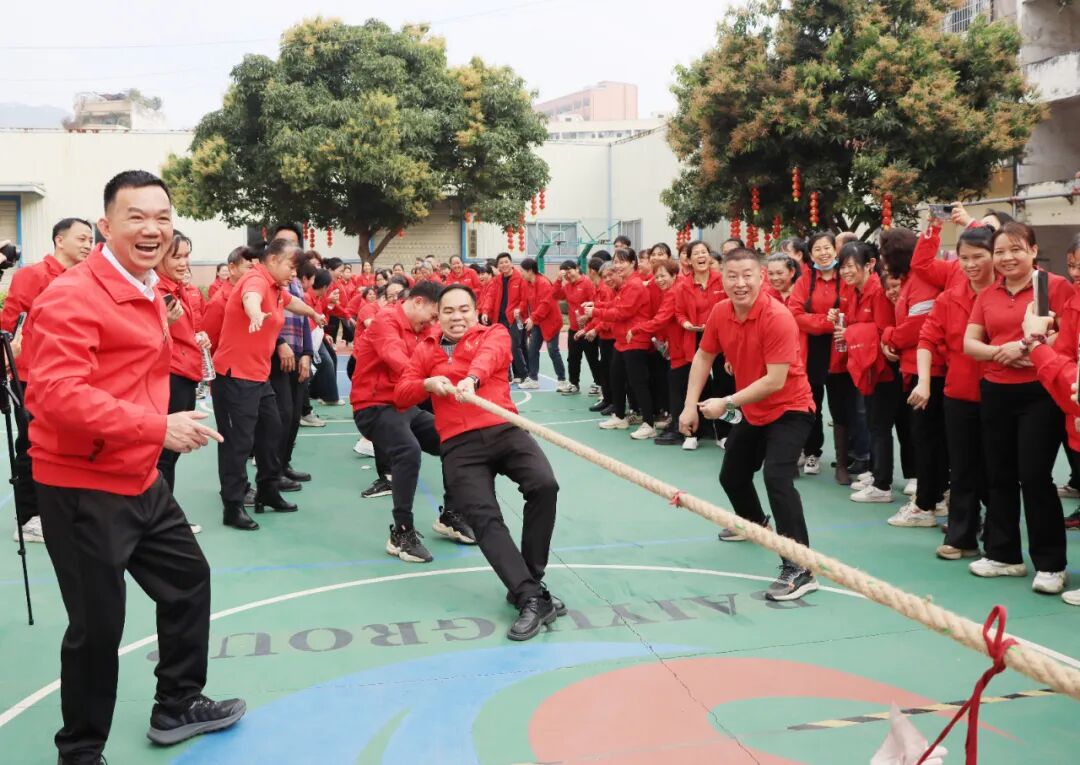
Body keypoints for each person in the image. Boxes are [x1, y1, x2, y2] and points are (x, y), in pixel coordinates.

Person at [27, 170, 245, 764]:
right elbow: (56, 396)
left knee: (188, 580)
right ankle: (80, 752)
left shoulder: (150, 287)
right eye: (136, 217)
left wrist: (160, 427)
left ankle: (177, 703)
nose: (152, 229)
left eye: (162, 217)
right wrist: (157, 427)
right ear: (106, 225)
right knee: (98, 627)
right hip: (81, 485)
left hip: (139, 475)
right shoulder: (72, 296)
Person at [394, 284, 566, 639]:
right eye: (448, 311)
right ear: (438, 316)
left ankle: (529, 580)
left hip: (505, 429)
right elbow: (401, 394)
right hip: (459, 445)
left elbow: (490, 357)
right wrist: (428, 384)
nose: (457, 317)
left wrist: (471, 379)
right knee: (484, 518)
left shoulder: (494, 334)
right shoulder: (426, 349)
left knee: (544, 485)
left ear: (475, 312)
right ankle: (531, 596)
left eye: (464, 310)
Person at [679, 247, 817, 601]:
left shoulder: (777, 317)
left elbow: (774, 380)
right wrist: (689, 406)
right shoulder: (720, 312)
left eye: (747, 276)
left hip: (791, 408)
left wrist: (726, 402)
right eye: (732, 276)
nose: (740, 283)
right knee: (732, 476)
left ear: (761, 277)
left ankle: (800, 567)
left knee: (777, 477)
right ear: (722, 278)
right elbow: (704, 355)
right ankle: (756, 525)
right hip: (755, 410)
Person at [963, 222, 1071, 593]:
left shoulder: (1054, 286)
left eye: (1016, 249)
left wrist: (1028, 348)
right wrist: (1001, 352)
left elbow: (1067, 334)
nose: (1007, 258)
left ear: (1034, 251)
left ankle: (1051, 564)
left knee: (1035, 476)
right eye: (1000, 251)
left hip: (1041, 391)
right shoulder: (987, 293)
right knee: (998, 474)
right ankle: (1003, 555)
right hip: (996, 390)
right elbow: (970, 343)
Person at [351, 279, 476, 561]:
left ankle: (451, 514)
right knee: (407, 451)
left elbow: (443, 354)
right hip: (373, 406)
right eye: (433, 315)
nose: (433, 323)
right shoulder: (385, 321)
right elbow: (399, 360)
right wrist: (429, 380)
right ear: (418, 302)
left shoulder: (424, 328)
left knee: (453, 439)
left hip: (405, 406)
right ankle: (401, 532)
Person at [212, 238, 325, 529]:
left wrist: (313, 313)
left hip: (258, 377)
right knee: (238, 444)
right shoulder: (256, 279)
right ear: (272, 260)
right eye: (291, 266)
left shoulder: (276, 287)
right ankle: (233, 505)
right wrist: (254, 313)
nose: (294, 274)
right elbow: (250, 297)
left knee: (272, 431)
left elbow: (291, 302)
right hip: (235, 376)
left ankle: (268, 490)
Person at [2, 216, 94, 544]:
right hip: (31, 377)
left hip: (71, 376)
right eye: (81, 238)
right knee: (31, 445)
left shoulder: (86, 279)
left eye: (90, 239)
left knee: (67, 444)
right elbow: (10, 324)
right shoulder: (33, 276)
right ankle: (28, 518)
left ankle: (61, 510)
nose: (88, 245)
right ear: (59, 240)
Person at [914, 224, 995, 558]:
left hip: (1000, 395)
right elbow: (926, 339)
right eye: (964, 258)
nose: (970, 264)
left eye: (978, 257)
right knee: (961, 469)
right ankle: (961, 537)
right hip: (958, 395)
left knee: (996, 470)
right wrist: (923, 382)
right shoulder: (949, 298)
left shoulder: (1006, 295)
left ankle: (997, 540)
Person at [154, 231, 212, 532]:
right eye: (176, 256)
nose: (183, 262)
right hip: (171, 376)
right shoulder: (156, 291)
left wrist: (196, 336)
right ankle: (163, 520)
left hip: (185, 374)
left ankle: (162, 516)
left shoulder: (179, 290)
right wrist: (163, 323)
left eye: (186, 256)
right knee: (164, 455)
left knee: (169, 455)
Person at [585, 250, 657, 439]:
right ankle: (619, 416)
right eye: (616, 262)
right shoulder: (626, 285)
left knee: (638, 383)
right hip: (622, 341)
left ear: (633, 263)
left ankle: (649, 423)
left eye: (622, 262)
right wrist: (596, 307)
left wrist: (595, 312)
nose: (617, 265)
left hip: (635, 340)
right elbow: (614, 306)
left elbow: (622, 312)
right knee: (616, 377)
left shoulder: (634, 285)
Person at [267, 225, 316, 488]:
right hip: (276, 355)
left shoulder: (293, 280)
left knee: (294, 414)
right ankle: (273, 471)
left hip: (297, 354)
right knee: (281, 415)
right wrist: (279, 342)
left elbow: (304, 317)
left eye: (294, 242)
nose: (290, 246)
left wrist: (307, 353)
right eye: (283, 241)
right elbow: (263, 319)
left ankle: (284, 464)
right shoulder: (264, 280)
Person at [519, 257, 568, 391]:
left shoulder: (544, 283)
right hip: (538, 321)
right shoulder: (526, 283)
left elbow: (545, 304)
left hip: (551, 321)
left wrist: (532, 318)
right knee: (532, 349)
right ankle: (533, 379)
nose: (521, 273)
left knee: (553, 351)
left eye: (522, 271)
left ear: (530, 271)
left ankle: (562, 380)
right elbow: (525, 301)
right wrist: (522, 313)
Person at [480, 252, 528, 380]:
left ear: (511, 263)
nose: (504, 264)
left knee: (514, 346)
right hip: (500, 318)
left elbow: (524, 299)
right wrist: (485, 311)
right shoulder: (497, 280)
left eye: (506, 262)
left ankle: (523, 374)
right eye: (501, 263)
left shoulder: (520, 278)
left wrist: (520, 309)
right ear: (498, 266)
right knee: (501, 347)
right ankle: (507, 375)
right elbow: (490, 297)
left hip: (515, 318)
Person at [555, 259, 599, 395]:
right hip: (574, 328)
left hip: (588, 328)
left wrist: (587, 317)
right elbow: (555, 295)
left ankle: (599, 383)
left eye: (570, 272)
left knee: (592, 358)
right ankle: (574, 384)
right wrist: (558, 280)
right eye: (565, 274)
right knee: (573, 358)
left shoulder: (587, 283)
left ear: (577, 269)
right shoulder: (567, 286)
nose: (568, 276)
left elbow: (595, 303)